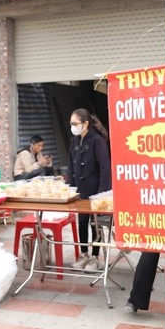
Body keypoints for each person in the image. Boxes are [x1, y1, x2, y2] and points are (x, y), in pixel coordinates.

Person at [66, 108, 111, 271]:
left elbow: (105, 169)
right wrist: (70, 188)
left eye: (75, 123)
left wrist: (101, 194)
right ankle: (84, 254)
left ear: (85, 123)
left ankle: (95, 257)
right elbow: (71, 164)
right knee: (82, 222)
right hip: (80, 191)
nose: (72, 127)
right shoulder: (74, 141)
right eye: (71, 124)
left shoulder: (97, 141)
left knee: (95, 223)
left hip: (95, 191)